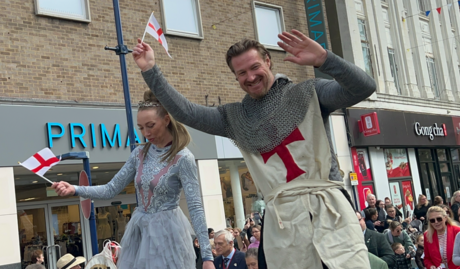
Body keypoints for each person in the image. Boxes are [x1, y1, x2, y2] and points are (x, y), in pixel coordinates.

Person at [132, 28, 375, 268]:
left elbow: (364, 87)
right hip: (282, 223)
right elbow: (186, 112)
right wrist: (150, 70)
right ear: (235, 77)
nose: (250, 77)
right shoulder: (236, 119)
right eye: (241, 72)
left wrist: (325, 59)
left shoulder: (308, 93)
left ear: (268, 61)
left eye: (255, 67)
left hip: (329, 210)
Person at [52, 91, 214, 269]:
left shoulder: (183, 158)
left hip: (168, 234)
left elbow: (196, 207)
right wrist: (75, 189)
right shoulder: (139, 154)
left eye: (150, 125)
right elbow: (111, 189)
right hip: (139, 231)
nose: (146, 133)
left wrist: (207, 257)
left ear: (167, 120)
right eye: (141, 128)